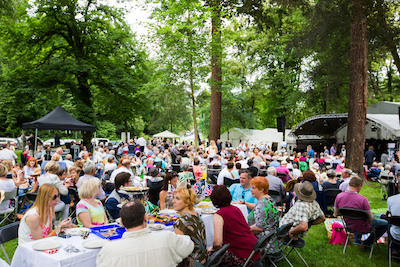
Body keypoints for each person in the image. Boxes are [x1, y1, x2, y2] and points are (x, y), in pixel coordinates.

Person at [97, 200, 194, 267]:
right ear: (145, 217)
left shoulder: (109, 250)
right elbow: (189, 245)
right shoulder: (167, 238)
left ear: (121, 222)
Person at [209, 185, 260, 266]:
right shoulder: (236, 209)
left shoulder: (219, 215)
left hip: (242, 256)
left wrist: (212, 250)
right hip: (254, 252)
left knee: (207, 256)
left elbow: (217, 243)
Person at [334, 176, 388, 247]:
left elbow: (336, 214)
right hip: (364, 227)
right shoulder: (363, 199)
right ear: (359, 186)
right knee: (386, 224)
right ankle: (367, 243)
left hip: (349, 225)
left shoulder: (339, 196)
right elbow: (370, 218)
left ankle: (358, 241)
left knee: (357, 217)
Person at [173, 187, 208, 266]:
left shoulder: (181, 223)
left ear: (187, 203)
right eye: (174, 198)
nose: (173, 201)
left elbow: (180, 252)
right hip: (203, 260)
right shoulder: (197, 216)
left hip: (191, 263)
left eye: (177, 199)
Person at [248, 177, 281, 253]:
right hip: (273, 241)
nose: (251, 190)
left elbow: (259, 228)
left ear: (261, 189)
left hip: (265, 243)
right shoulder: (270, 200)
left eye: (253, 188)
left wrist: (243, 230)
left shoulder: (262, 204)